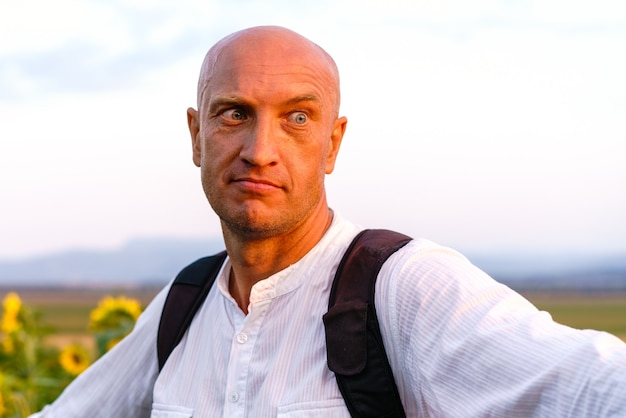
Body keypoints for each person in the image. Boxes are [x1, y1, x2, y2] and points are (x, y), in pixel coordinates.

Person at [32, 25, 626, 418]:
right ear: (196, 135)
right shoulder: (181, 309)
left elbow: (586, 385)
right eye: (234, 113)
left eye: (296, 118)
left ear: (333, 144)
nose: (260, 149)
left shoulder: (399, 287)